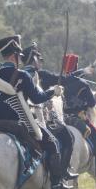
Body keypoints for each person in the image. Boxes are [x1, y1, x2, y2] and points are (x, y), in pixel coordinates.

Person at [0, 35, 71, 189]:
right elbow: (38, 98)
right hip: (19, 126)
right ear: (15, 55)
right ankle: (56, 183)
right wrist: (53, 91)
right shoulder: (23, 76)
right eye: (20, 56)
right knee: (52, 143)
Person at [36, 53, 96, 177]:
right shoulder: (83, 84)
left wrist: (83, 71)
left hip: (59, 118)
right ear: (76, 66)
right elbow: (92, 103)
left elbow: (66, 77)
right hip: (78, 118)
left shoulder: (54, 80)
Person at [21, 42, 78, 180]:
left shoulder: (22, 73)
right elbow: (36, 97)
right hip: (36, 118)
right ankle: (58, 178)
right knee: (66, 138)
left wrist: (47, 100)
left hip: (26, 115)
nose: (41, 62)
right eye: (39, 59)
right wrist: (52, 92)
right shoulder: (33, 74)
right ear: (34, 59)